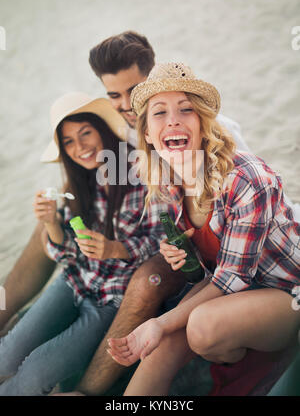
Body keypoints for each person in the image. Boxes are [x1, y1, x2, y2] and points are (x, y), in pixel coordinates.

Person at [0, 31, 269, 395]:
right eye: (115, 95)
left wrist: (126, 249)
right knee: (50, 221)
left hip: (197, 247)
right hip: (145, 246)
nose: (127, 104)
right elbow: (88, 184)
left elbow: (242, 193)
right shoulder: (114, 134)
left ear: (151, 79)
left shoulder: (204, 131)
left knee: (145, 279)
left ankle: (88, 387)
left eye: (134, 91)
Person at [107, 62, 300, 396]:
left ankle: (260, 354)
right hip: (235, 292)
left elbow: (231, 278)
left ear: (203, 123)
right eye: (159, 113)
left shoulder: (246, 180)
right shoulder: (169, 184)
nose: (173, 120)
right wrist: (183, 254)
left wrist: (160, 321)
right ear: (149, 135)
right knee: (159, 343)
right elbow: (211, 273)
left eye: (186, 109)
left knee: (201, 326)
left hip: (287, 293)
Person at [0, 92, 166, 396]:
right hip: (73, 282)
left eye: (86, 133)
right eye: (69, 142)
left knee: (37, 373)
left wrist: (115, 249)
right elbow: (66, 254)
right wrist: (51, 222)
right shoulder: (81, 180)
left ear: (103, 128)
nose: (80, 147)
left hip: (110, 301)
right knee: (6, 355)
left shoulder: (142, 170)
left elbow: (161, 240)